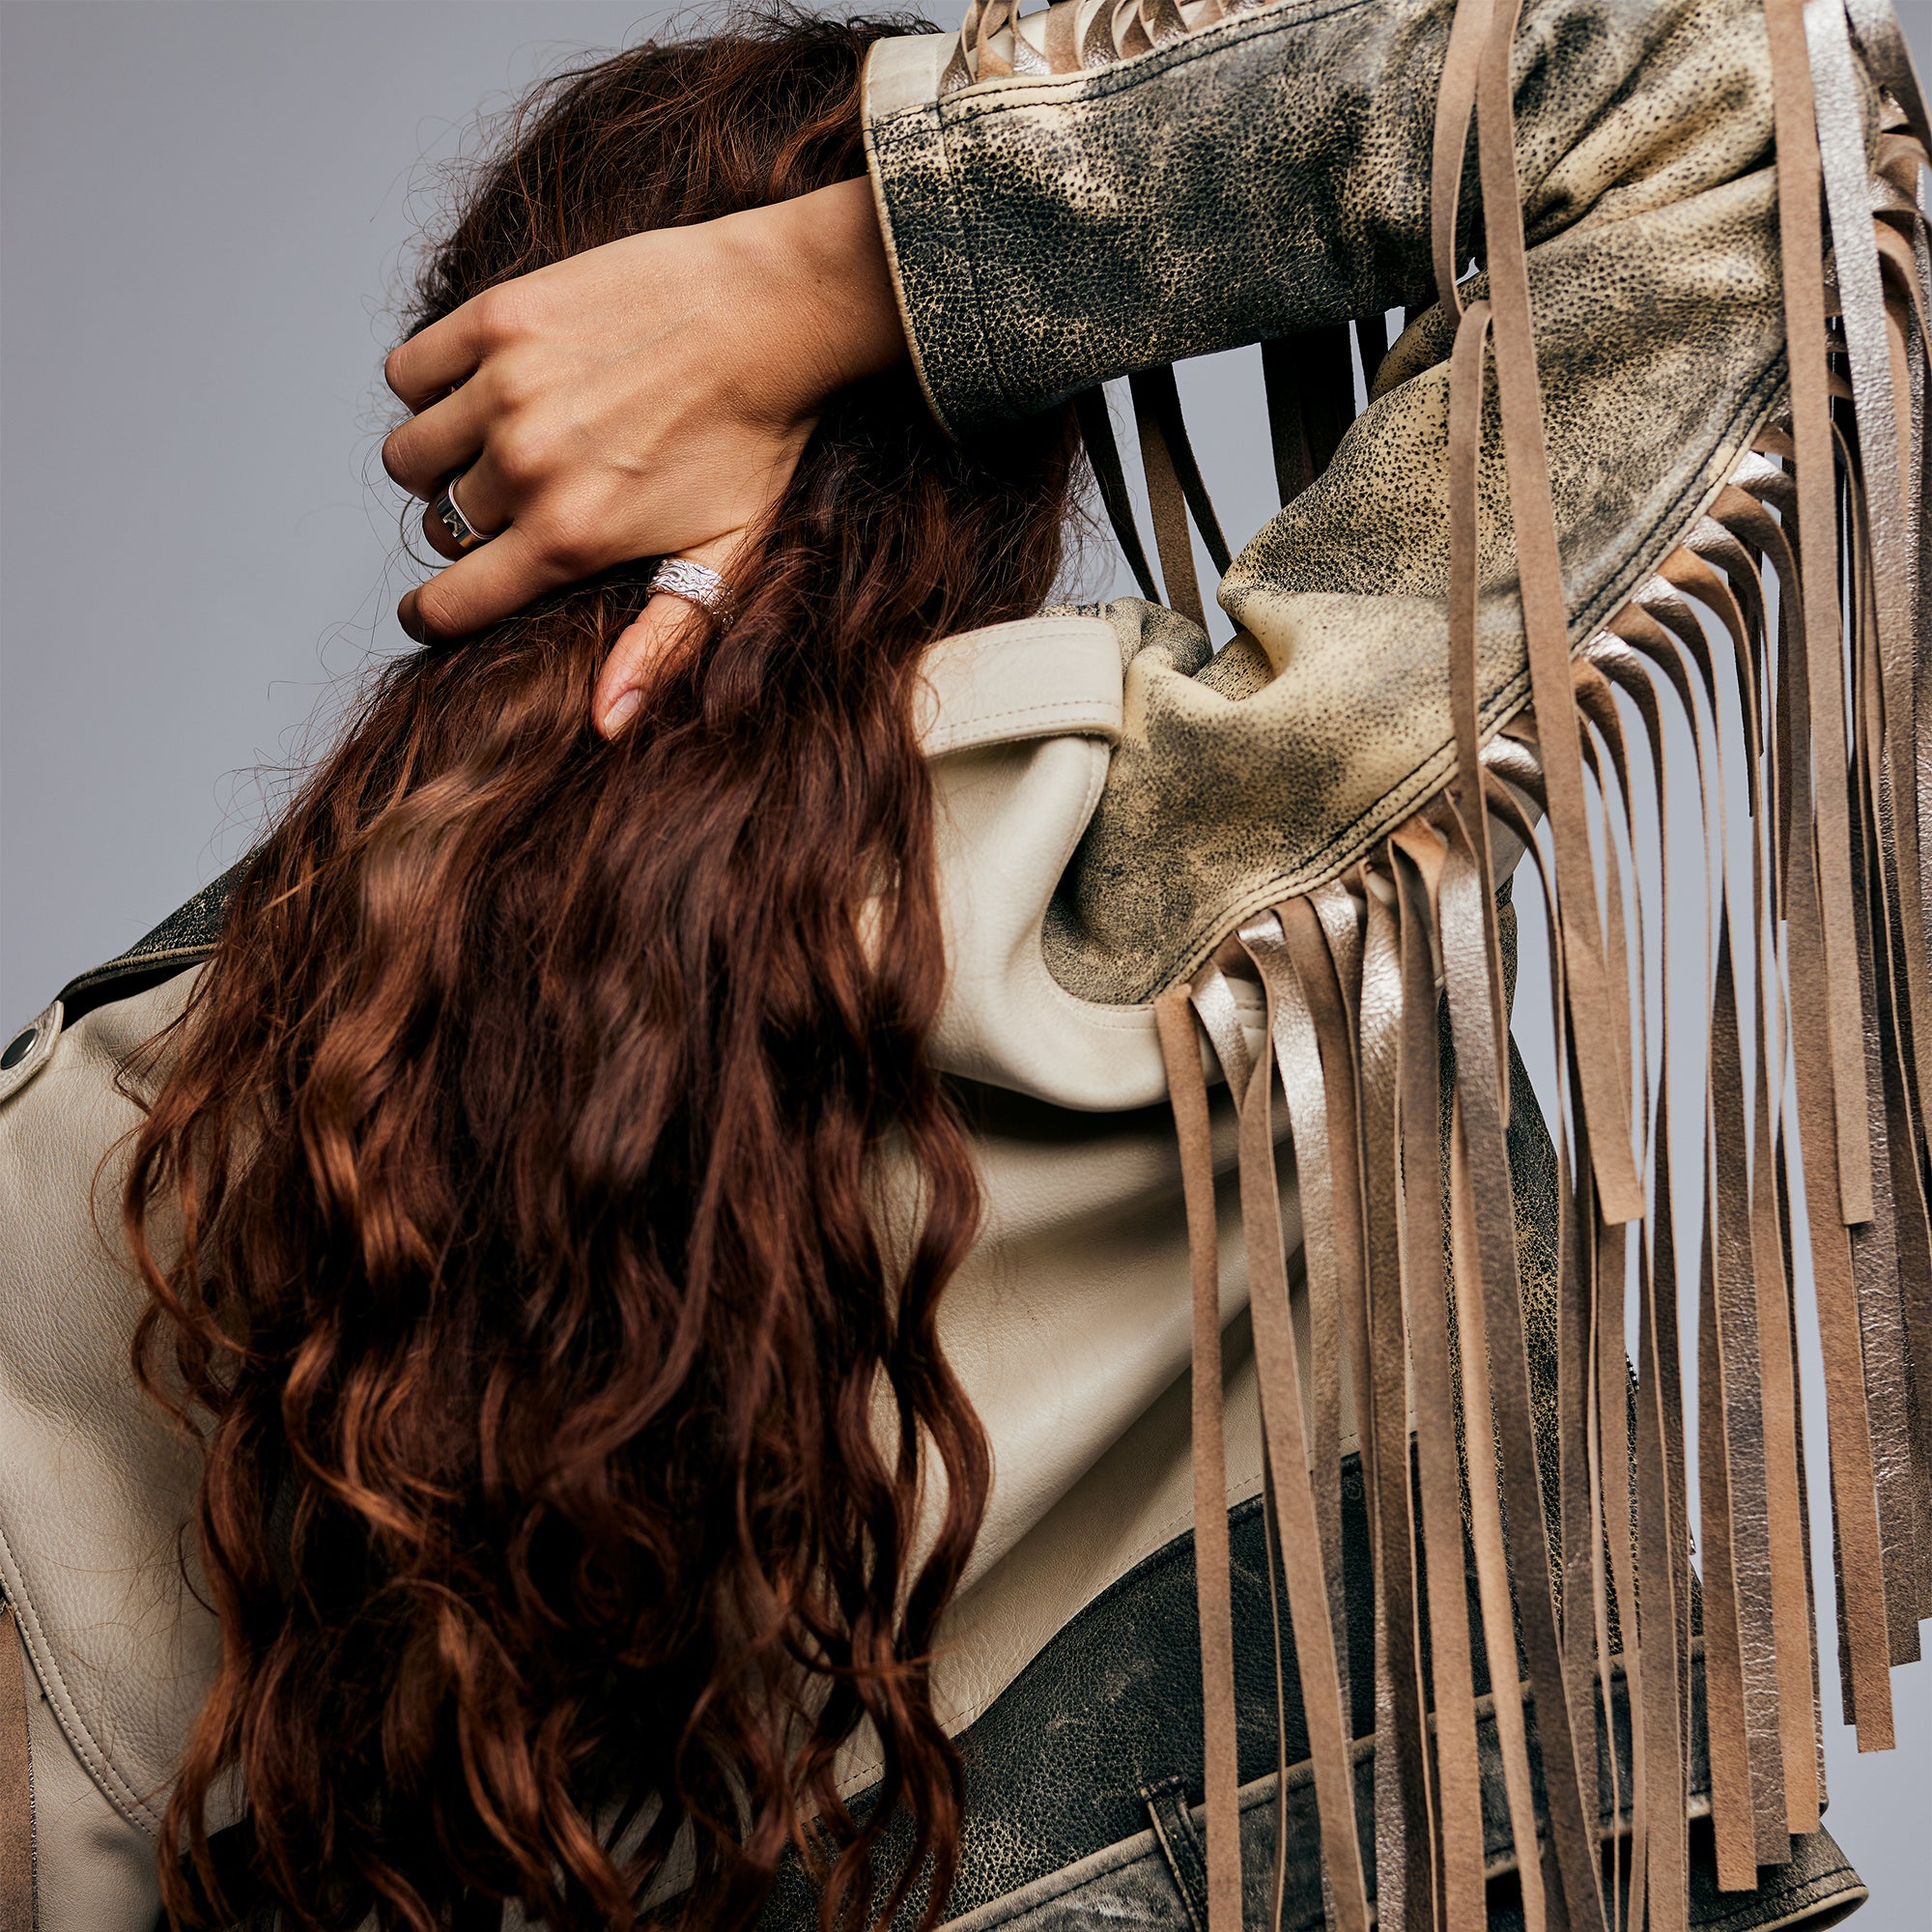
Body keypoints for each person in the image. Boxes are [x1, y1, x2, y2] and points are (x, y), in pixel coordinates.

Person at [2, 4, 1919, 1932]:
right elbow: (1745, 92)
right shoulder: (1147, 854)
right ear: (995, 463)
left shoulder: (111, 1129)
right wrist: (858, 269)